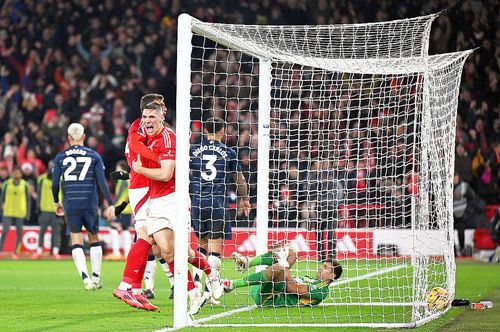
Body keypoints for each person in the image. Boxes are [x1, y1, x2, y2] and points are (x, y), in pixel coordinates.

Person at [114, 97, 222, 314]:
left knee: (184, 252)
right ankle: (193, 295)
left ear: (162, 116)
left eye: (152, 116)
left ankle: (211, 273)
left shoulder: (168, 138)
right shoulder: (143, 133)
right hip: (154, 199)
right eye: (145, 116)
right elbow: (135, 144)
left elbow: (165, 174)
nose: (147, 120)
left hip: (174, 199)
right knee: (166, 251)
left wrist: (141, 169)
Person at [189, 117, 251, 302]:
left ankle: (197, 285)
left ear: (205, 130)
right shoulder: (229, 152)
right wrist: (244, 198)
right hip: (217, 203)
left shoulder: (192, 150)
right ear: (223, 131)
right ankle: (210, 289)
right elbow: (238, 179)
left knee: (200, 247)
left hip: (198, 202)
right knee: (215, 249)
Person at [52, 123, 115, 290]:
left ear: (68, 138)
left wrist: (56, 201)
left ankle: (85, 278)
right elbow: (102, 182)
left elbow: (54, 183)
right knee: (94, 238)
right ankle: (96, 278)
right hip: (89, 203)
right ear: (84, 137)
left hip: (70, 203)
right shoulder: (93, 156)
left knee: (76, 239)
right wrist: (110, 203)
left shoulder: (60, 157)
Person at [225, 243, 342, 307]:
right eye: (322, 265)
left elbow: (292, 288)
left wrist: (283, 262)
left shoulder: (321, 289)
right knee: (291, 253)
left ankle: (232, 285)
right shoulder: (310, 279)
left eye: (325, 267)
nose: (321, 267)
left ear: (332, 276)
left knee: (280, 267)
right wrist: (282, 254)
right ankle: (248, 262)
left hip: (270, 298)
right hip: (265, 285)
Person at [31, 160, 64, 260]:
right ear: (47, 167)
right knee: (42, 231)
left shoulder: (61, 179)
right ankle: (39, 251)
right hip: (44, 210)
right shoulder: (41, 179)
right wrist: (38, 208)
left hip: (56, 210)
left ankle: (55, 252)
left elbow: (65, 194)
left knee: (56, 232)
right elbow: (39, 194)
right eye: (51, 166)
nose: (52, 168)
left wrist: (63, 209)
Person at [0, 166, 31, 259]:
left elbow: (28, 200)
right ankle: (1, 251)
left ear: (21, 174)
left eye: (18, 172)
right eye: (15, 172)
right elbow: (2, 198)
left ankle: (15, 252)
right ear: (12, 173)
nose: (16, 174)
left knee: (19, 233)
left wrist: (28, 213)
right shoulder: (6, 184)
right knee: (5, 231)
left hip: (20, 212)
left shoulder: (25, 185)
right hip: (8, 212)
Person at [107, 160, 133, 260]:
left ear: (121, 168)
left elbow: (118, 195)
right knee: (125, 229)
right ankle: (127, 253)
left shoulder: (123, 179)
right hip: (128, 209)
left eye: (117, 168)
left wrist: (112, 205)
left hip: (120, 209)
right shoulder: (129, 179)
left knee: (112, 228)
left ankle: (116, 252)